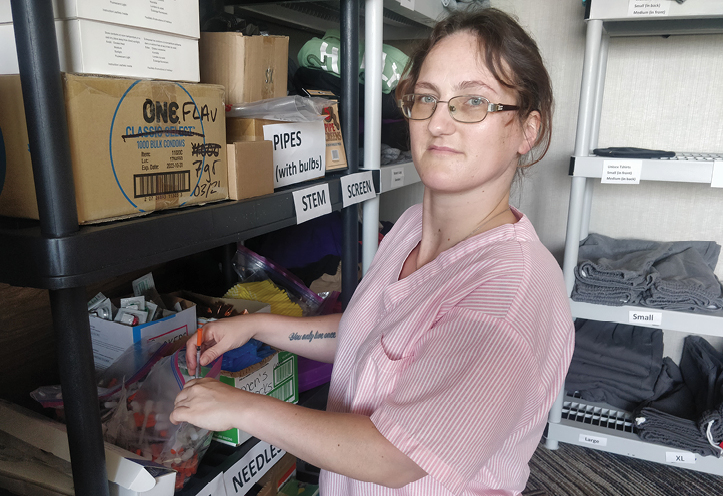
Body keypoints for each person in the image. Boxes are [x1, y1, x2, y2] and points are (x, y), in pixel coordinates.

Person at [171, 7, 574, 495]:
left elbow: (396, 455)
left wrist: (242, 407)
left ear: (528, 129)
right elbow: (369, 336)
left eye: (472, 102)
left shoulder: (510, 295)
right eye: (426, 99)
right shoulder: (410, 228)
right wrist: (257, 326)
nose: (439, 124)